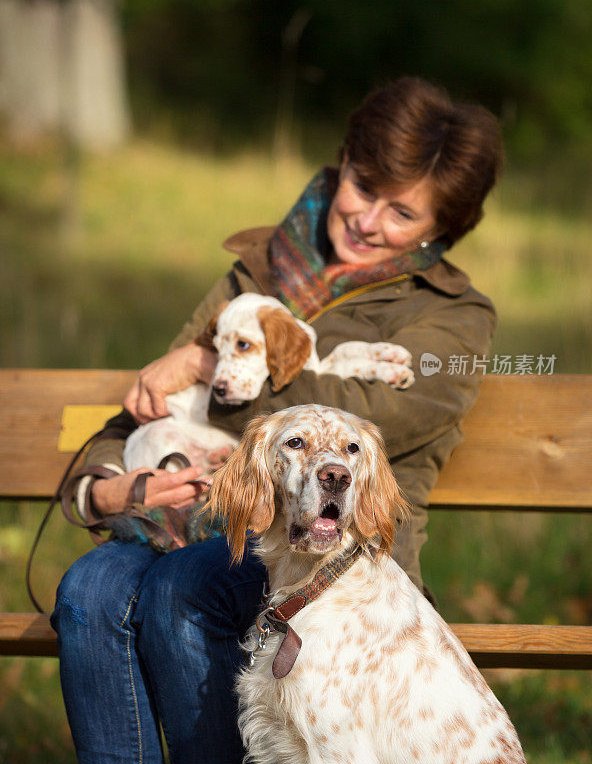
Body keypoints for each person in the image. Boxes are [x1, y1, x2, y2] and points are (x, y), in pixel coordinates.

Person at [51, 76, 503, 764]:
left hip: (328, 562)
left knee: (181, 589)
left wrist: (211, 366)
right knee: (90, 586)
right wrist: (103, 488)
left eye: (402, 214)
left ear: (442, 229)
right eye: (363, 185)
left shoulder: (451, 317)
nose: (367, 220)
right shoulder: (257, 273)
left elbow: (378, 413)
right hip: (200, 519)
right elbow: (155, 397)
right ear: (342, 161)